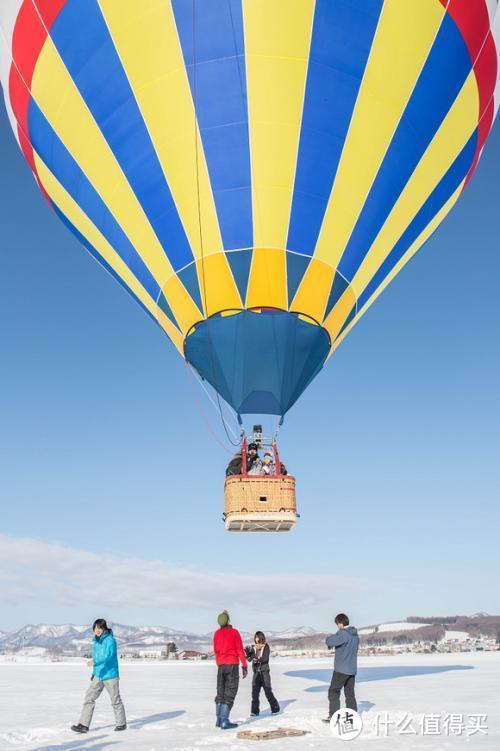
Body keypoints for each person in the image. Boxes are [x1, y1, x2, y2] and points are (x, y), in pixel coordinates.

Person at [71, 619, 126, 734]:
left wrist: (94, 662)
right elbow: (98, 656)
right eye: (96, 628)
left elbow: (107, 656)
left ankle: (121, 724)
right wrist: (94, 673)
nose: (98, 630)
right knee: (89, 697)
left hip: (110, 675)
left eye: (100, 628)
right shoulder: (95, 641)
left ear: (104, 628)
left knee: (115, 699)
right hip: (99, 674)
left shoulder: (110, 640)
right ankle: (83, 725)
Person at [213, 610, 248, 729]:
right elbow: (239, 650)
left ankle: (218, 719)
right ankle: (224, 721)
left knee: (220, 691)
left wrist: (220, 664)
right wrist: (244, 665)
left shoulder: (216, 634)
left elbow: (216, 651)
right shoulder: (234, 632)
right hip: (232, 665)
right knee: (230, 691)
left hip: (221, 666)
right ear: (228, 620)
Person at [323, 613, 359, 722]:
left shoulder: (343, 634)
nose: (337, 626)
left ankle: (334, 716)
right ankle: (352, 717)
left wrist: (330, 639)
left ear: (340, 623)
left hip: (341, 669)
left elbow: (330, 641)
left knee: (333, 691)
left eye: (337, 624)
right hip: (352, 670)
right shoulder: (355, 635)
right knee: (350, 694)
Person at [245, 631, 280, 716]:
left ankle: (275, 708)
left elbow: (264, 659)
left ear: (261, 637)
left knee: (268, 692)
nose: (256, 639)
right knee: (255, 693)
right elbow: (249, 659)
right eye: (255, 637)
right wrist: (247, 652)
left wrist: (255, 658)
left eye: (257, 637)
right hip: (256, 673)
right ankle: (254, 711)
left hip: (264, 673)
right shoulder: (254, 647)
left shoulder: (266, 646)